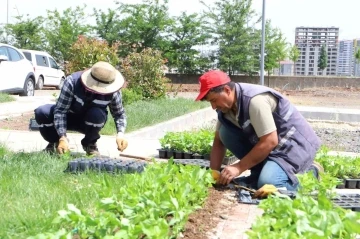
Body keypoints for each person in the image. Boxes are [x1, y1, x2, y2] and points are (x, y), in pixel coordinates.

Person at [195, 70, 323, 193]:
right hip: (271, 146)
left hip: (292, 145)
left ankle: (312, 173)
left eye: (214, 100)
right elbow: (218, 141)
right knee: (224, 133)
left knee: (270, 184)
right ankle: (260, 173)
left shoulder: (255, 100)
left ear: (227, 90)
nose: (213, 107)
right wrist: (214, 172)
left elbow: (270, 141)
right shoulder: (225, 108)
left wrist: (238, 167)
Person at [34, 61, 128, 156]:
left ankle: (90, 144)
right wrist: (62, 137)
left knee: (97, 114)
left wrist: (120, 134)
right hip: (68, 117)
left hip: (90, 121)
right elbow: (60, 111)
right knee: (42, 112)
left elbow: (119, 114)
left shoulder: (113, 92)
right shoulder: (72, 82)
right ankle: (55, 143)